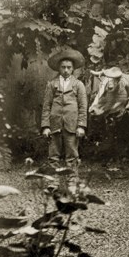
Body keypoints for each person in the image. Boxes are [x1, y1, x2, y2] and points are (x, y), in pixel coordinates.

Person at [41, 48, 87, 190]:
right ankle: (52, 182)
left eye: (69, 67)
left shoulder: (78, 85)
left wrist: (81, 125)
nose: (66, 70)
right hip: (55, 124)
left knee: (72, 154)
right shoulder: (52, 84)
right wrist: (46, 126)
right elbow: (46, 106)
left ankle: (72, 182)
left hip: (71, 124)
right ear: (59, 68)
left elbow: (83, 106)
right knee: (53, 155)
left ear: (73, 69)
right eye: (63, 67)